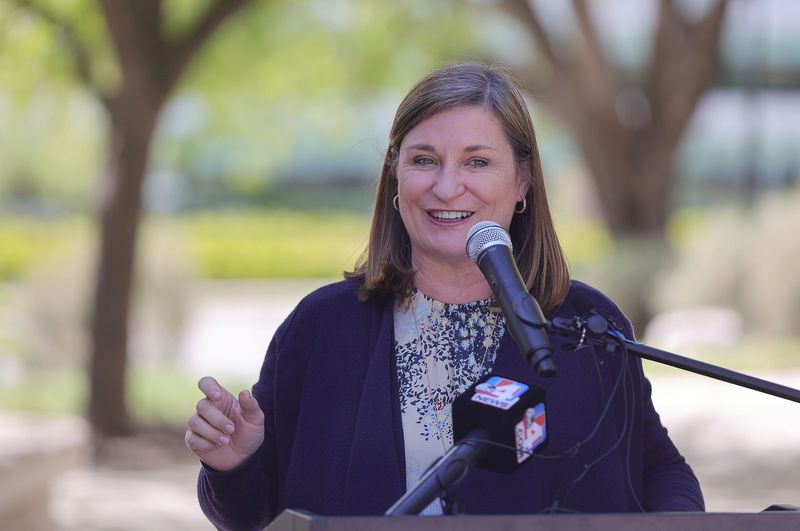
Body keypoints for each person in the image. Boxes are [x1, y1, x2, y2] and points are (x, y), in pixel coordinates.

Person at [185, 62, 704, 530]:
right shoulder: (322, 328)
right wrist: (233, 462)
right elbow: (252, 513)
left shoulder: (585, 325)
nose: (447, 186)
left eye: (477, 162)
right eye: (424, 160)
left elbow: (658, 469)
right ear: (395, 174)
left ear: (523, 181)